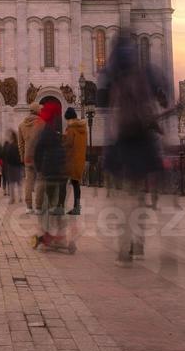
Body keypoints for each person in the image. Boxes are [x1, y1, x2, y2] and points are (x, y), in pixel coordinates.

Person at [99, 34, 170, 263]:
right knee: (139, 194)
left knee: (125, 194)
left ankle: (125, 243)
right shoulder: (145, 71)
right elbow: (164, 93)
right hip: (143, 138)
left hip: (123, 140)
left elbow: (100, 102)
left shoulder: (112, 72)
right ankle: (138, 242)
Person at [33, 99, 68, 237]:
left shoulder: (46, 131)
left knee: (48, 202)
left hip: (49, 171)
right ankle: (58, 230)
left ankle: (48, 230)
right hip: (59, 171)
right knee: (58, 202)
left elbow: (38, 151)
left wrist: (39, 168)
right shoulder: (55, 131)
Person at [18, 105, 43, 213]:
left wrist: (22, 157)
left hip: (27, 157)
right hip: (39, 156)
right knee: (40, 181)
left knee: (28, 181)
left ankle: (28, 206)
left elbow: (20, 144)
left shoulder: (22, 125)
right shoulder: (42, 123)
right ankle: (38, 206)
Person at [64, 107, 87, 216]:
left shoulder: (71, 129)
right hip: (80, 159)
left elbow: (68, 144)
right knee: (76, 183)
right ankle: (77, 207)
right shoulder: (83, 128)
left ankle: (61, 206)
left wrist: (63, 136)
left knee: (67, 183)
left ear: (69, 118)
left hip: (72, 160)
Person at [3, 131, 23, 203]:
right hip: (18, 166)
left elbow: (7, 156)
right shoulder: (18, 145)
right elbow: (21, 155)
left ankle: (12, 198)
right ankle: (20, 197)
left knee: (11, 183)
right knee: (19, 182)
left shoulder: (10, 146)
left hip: (11, 166)